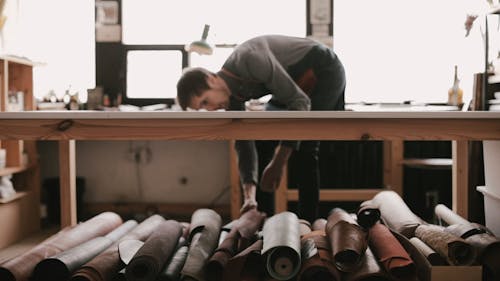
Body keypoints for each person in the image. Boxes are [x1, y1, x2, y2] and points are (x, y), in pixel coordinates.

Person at [177, 35, 345, 222]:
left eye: (206, 101)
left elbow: (299, 102)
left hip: (323, 68)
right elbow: (243, 142)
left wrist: (279, 162)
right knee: (263, 140)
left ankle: (309, 225)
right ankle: (267, 222)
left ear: (212, 80)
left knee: (306, 145)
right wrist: (249, 195)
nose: (210, 109)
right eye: (203, 108)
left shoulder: (250, 59)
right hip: (294, 82)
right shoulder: (231, 95)